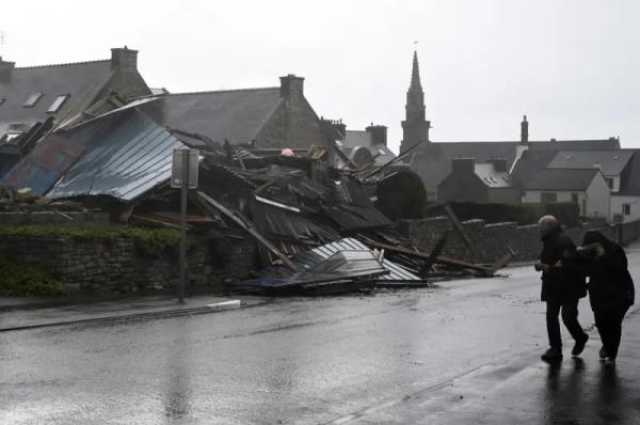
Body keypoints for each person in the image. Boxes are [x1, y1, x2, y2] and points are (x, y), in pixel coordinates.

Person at [535, 215, 589, 362]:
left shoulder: (563, 241)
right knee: (551, 316)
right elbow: (551, 261)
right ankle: (555, 349)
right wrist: (541, 264)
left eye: (542, 227)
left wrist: (545, 267)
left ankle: (581, 337)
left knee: (568, 317)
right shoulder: (548, 241)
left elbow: (568, 266)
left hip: (569, 286)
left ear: (550, 226)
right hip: (553, 286)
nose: (539, 230)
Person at [579, 231, 635, 365]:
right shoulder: (590, 254)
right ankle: (608, 345)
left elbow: (620, 268)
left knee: (614, 324)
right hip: (599, 295)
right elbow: (586, 271)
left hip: (620, 294)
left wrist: (602, 255)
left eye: (592, 246)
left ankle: (612, 351)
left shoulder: (615, 249)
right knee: (601, 323)